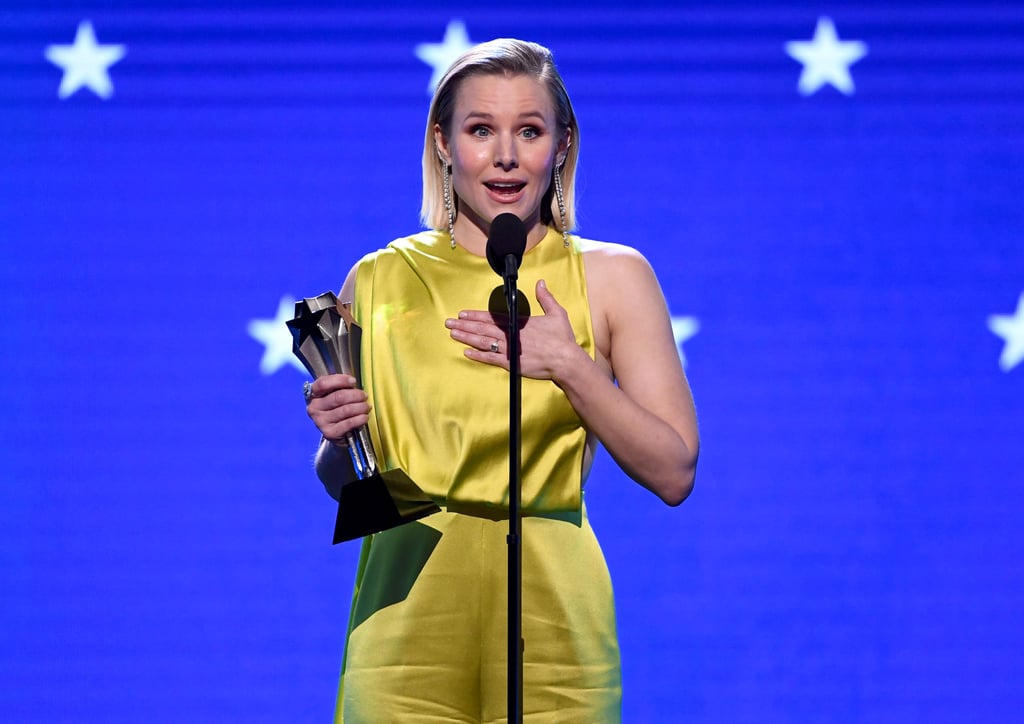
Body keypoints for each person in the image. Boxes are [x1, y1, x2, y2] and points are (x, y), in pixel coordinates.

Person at [305, 38, 698, 723]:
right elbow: (351, 483)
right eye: (481, 129)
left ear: (564, 146)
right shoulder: (378, 279)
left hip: (552, 617)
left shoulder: (613, 276)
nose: (506, 155)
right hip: (406, 612)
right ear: (444, 143)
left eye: (530, 130)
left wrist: (571, 366)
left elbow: (674, 473)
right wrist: (340, 440)